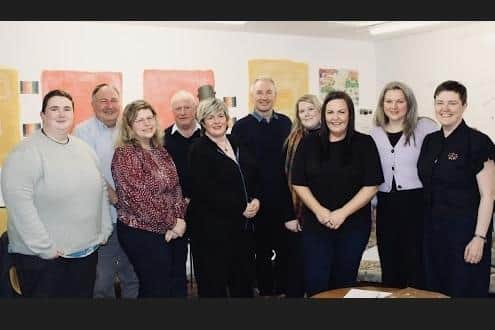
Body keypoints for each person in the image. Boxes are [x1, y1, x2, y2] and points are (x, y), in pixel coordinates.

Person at [1, 89, 113, 297]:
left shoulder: (84, 149)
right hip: (45, 258)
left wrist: (104, 229)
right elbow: (20, 205)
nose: (61, 114)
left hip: (85, 252)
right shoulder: (26, 152)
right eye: (54, 109)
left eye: (66, 109)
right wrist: (45, 248)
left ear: (73, 114)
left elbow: (101, 190)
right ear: (43, 115)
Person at [291, 91, 383, 297]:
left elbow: (372, 185)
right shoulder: (309, 143)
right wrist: (320, 211)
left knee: (344, 280)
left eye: (341, 111)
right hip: (316, 223)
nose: (336, 117)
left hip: (353, 225)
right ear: (324, 115)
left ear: (350, 114)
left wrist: (342, 213)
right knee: (316, 279)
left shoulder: (364, 143)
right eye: (330, 112)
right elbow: (298, 182)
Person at [418, 80, 495, 297]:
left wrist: (479, 238)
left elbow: (488, 195)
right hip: (432, 233)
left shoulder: (478, 142)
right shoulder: (430, 141)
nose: (445, 108)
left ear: (464, 105)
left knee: (464, 293)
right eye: (440, 102)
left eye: (452, 103)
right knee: (434, 293)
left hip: (465, 235)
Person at [111, 99, 187, 298]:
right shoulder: (125, 154)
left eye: (149, 118)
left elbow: (176, 187)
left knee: (174, 284)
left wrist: (180, 220)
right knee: (156, 288)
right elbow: (138, 200)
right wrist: (172, 223)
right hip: (141, 232)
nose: (146, 123)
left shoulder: (160, 150)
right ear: (129, 126)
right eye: (139, 120)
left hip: (171, 228)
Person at [188, 98, 260, 297]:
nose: (217, 121)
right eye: (210, 117)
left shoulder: (237, 143)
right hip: (211, 233)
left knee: (243, 282)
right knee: (214, 286)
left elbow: (253, 176)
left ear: (227, 119)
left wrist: (255, 199)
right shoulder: (198, 149)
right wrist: (239, 207)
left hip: (241, 230)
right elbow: (204, 191)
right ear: (203, 122)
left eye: (221, 116)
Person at [370, 81, 438, 289]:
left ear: (409, 104)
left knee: (416, 263)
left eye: (400, 101)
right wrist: (372, 203)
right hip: (385, 205)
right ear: (382, 104)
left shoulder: (425, 128)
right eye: (389, 101)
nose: (394, 106)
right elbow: (370, 173)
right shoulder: (374, 133)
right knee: (390, 262)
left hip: (416, 203)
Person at [74, 83, 139, 299]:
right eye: (103, 101)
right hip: (103, 217)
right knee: (103, 278)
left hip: (134, 218)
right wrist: (110, 193)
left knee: (134, 273)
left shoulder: (131, 128)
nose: (109, 106)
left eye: (113, 100)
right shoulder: (82, 132)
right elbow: (86, 171)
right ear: (93, 105)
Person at [231, 77, 294, 297]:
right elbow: (237, 169)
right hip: (256, 202)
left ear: (275, 95)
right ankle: (266, 293)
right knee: (261, 253)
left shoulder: (286, 123)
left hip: (284, 200)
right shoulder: (241, 127)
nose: (264, 97)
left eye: (268, 92)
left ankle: (284, 292)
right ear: (252, 96)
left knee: (286, 251)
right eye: (259, 92)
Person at [283, 94, 322, 297]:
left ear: (319, 110)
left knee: (319, 271)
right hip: (297, 214)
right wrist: (290, 215)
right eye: (302, 111)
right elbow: (284, 180)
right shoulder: (293, 140)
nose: (306, 114)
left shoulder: (331, 136)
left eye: (311, 109)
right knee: (296, 271)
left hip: (323, 214)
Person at [163, 90, 201, 296]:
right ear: (172, 111)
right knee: (176, 266)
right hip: (175, 212)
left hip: (205, 210)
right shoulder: (162, 139)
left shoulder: (208, 134)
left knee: (206, 264)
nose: (183, 112)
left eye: (187, 107)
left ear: (195, 109)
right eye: (178, 108)